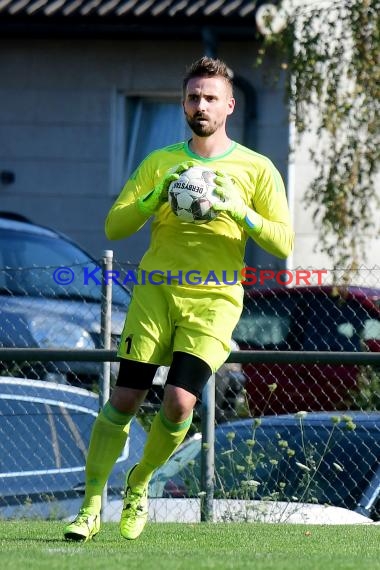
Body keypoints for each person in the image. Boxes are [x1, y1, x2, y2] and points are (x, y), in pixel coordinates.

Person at [64, 56, 294, 542]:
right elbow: (114, 225)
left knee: (178, 404)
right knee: (124, 398)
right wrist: (154, 199)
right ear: (183, 104)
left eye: (211, 98)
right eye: (193, 97)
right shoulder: (160, 163)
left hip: (214, 299)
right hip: (155, 292)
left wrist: (240, 212)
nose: (201, 106)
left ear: (229, 105)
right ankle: (88, 506)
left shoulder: (257, 169)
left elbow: (283, 243)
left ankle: (140, 481)